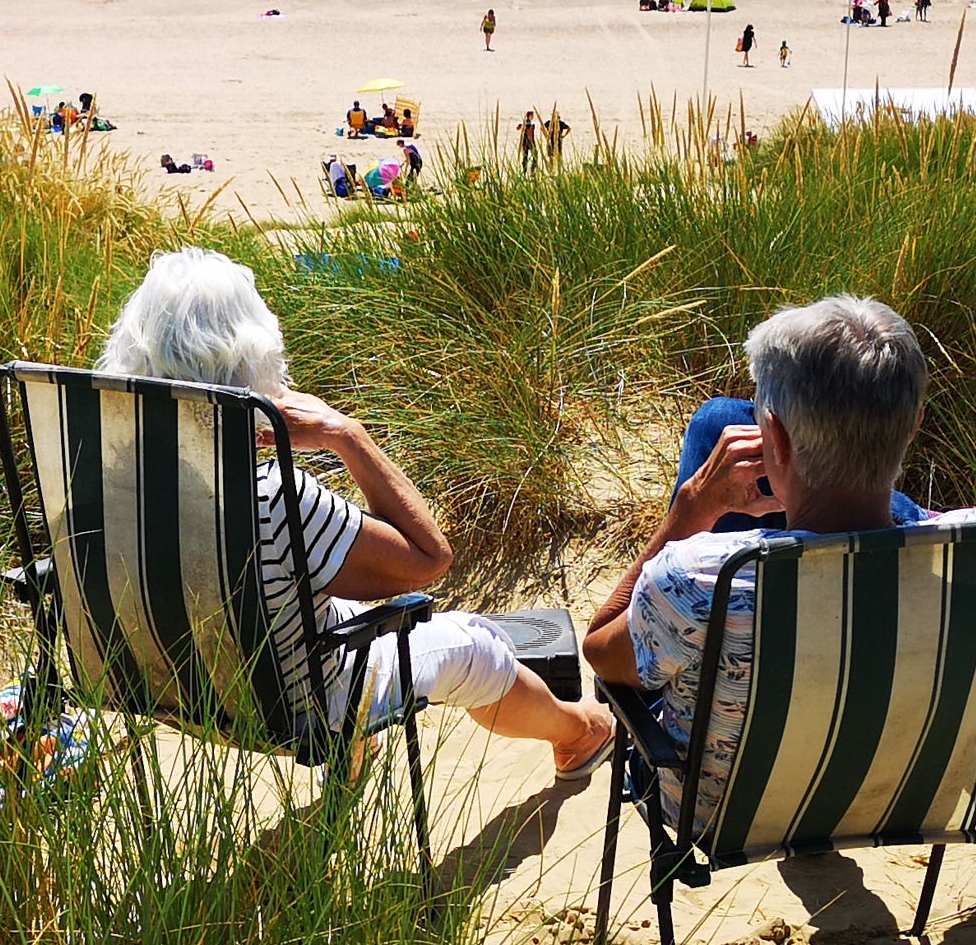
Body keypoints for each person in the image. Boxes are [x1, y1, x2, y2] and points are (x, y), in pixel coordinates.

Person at [98, 250, 617, 777]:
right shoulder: (271, 496)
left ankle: (348, 779)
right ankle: (582, 733)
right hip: (296, 711)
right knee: (474, 645)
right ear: (252, 358)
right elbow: (428, 559)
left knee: (315, 607)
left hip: (164, 691)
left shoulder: (97, 477)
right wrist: (348, 436)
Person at [581, 297, 976, 787]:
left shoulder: (699, 576)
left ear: (774, 437)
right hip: (894, 790)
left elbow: (601, 653)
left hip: (720, 805)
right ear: (915, 423)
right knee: (744, 433)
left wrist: (691, 511)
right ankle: (920, 521)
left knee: (717, 422)